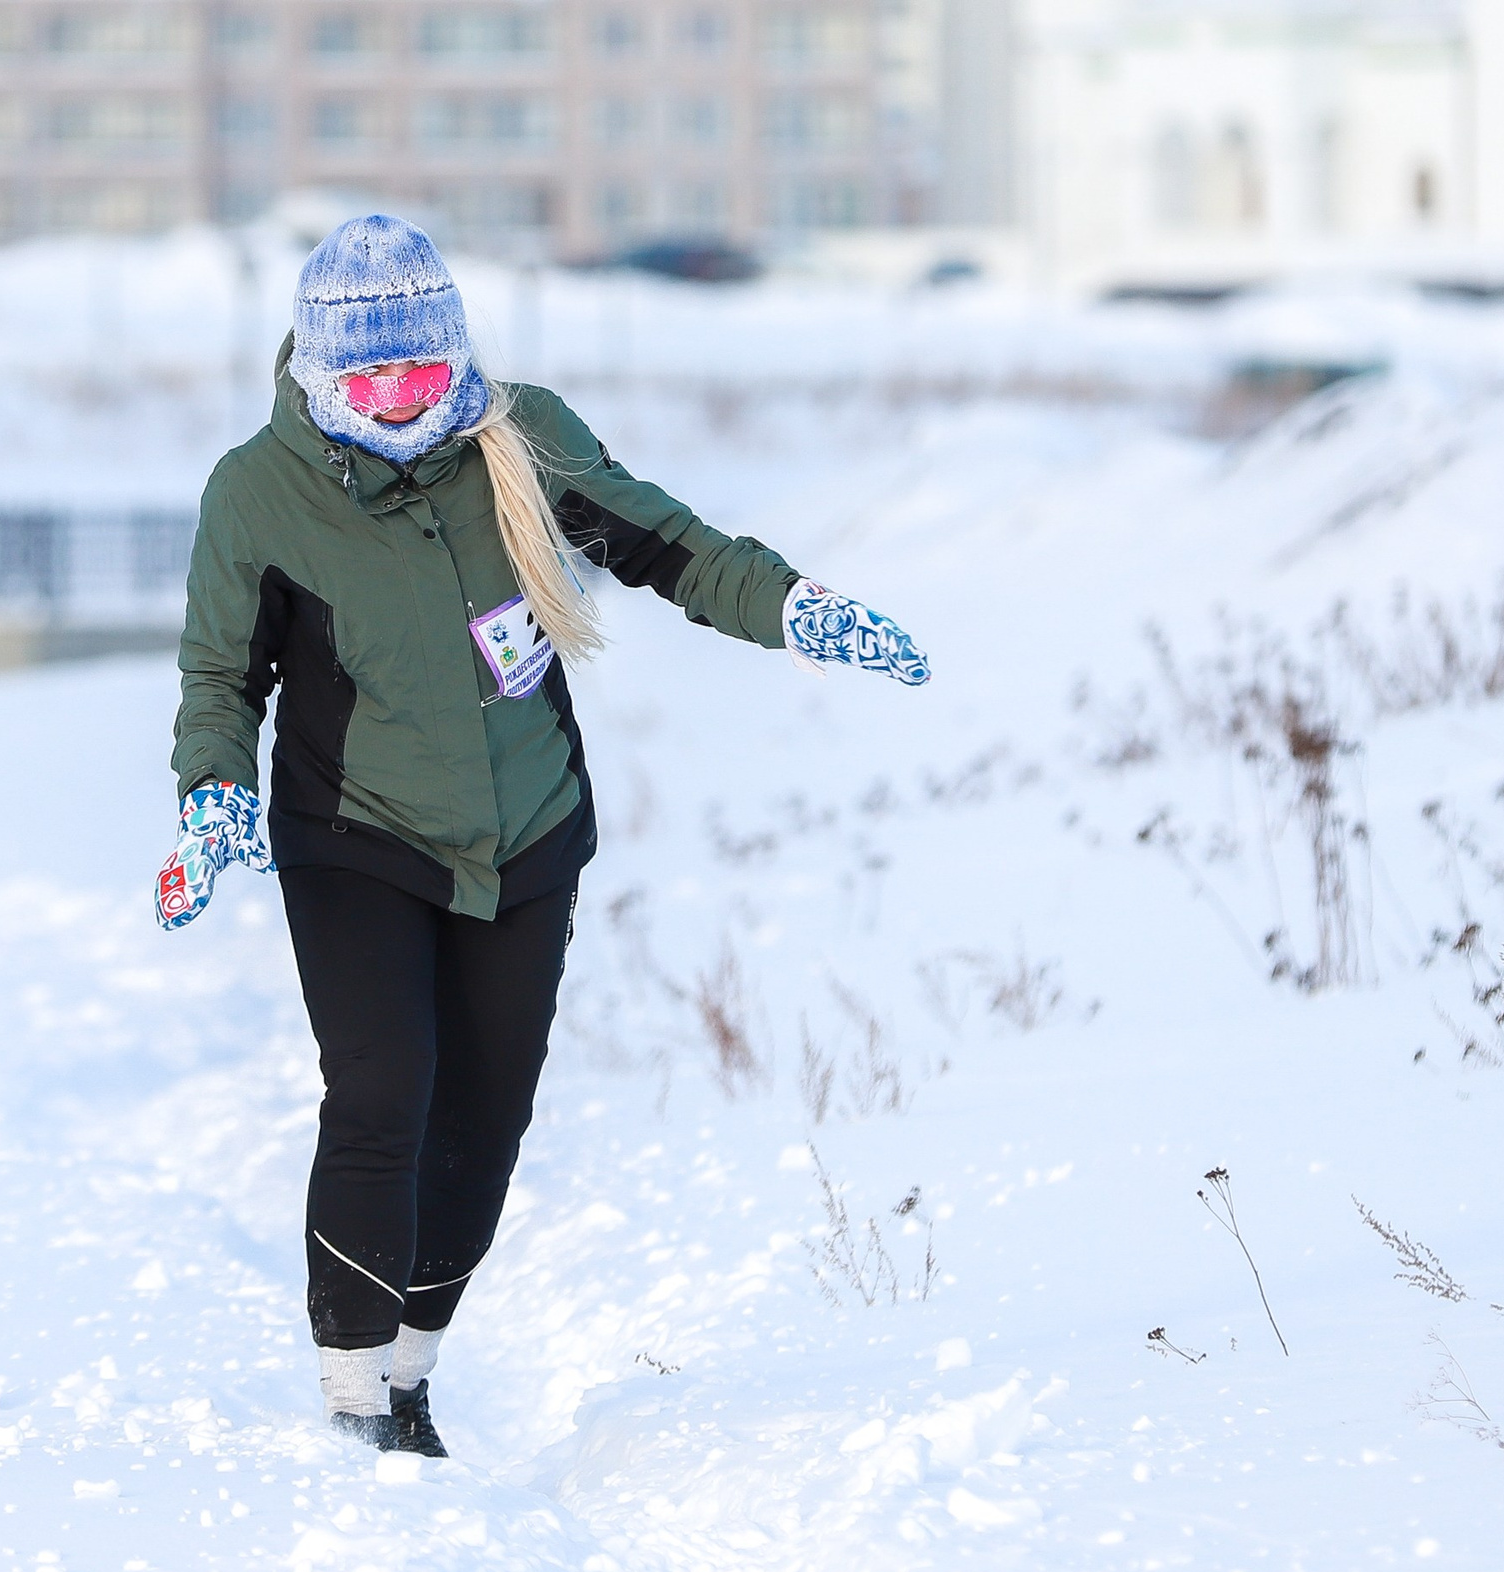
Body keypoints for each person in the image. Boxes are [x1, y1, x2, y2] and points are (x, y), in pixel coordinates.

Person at [160, 215, 928, 1455]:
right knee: (380, 1091)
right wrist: (213, 794)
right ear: (316, 372)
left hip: (526, 830)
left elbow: (670, 545)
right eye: (370, 378)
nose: (402, 401)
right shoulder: (260, 490)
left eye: (421, 370)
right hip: (356, 832)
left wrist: (794, 606)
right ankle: (353, 1403)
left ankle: (410, 1372)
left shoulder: (521, 437)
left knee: (485, 1112)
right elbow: (219, 679)